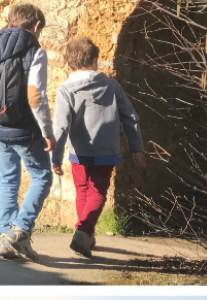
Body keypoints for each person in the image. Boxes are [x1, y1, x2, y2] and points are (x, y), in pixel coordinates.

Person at [51, 38, 146, 257]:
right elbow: (130, 117)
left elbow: (60, 125)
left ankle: (82, 233)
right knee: (97, 193)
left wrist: (55, 156)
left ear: (70, 62)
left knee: (83, 191)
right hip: (106, 151)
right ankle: (84, 232)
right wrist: (136, 147)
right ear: (94, 60)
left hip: (79, 152)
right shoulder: (112, 86)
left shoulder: (66, 89)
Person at [0, 3, 55, 262]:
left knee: (8, 178)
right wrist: (47, 130)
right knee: (42, 176)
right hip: (24, 129)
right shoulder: (35, 51)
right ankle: (19, 232)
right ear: (36, 27)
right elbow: (35, 96)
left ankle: (5, 237)